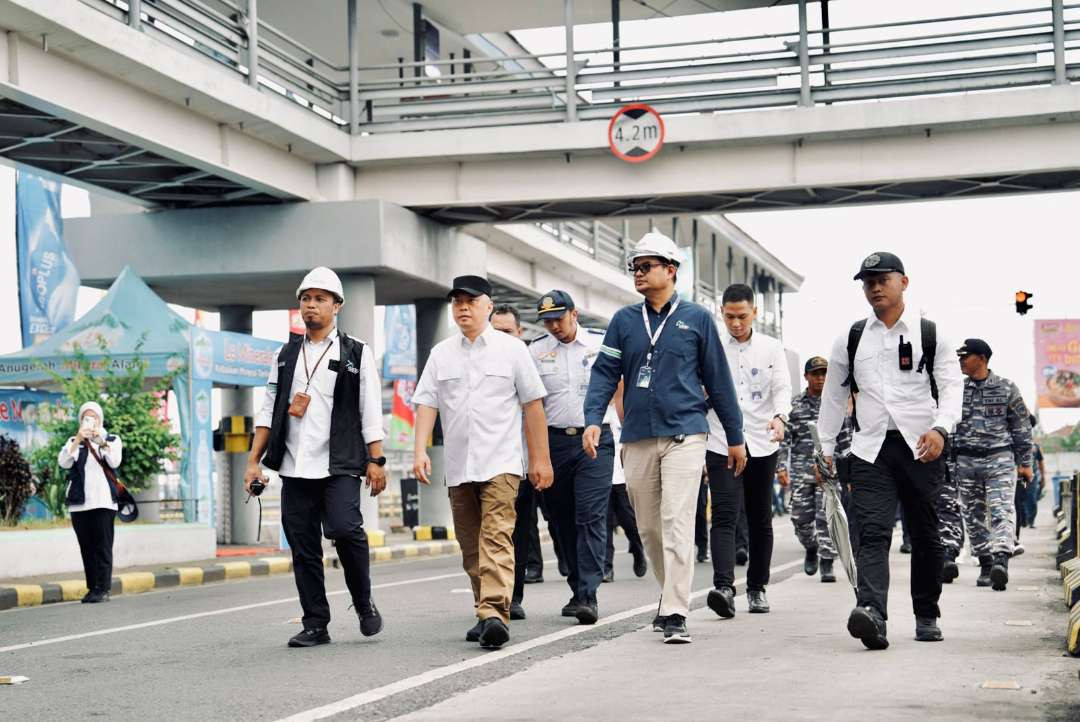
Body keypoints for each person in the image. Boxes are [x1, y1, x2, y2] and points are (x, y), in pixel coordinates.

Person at [584, 231, 746, 644]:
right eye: (635, 268)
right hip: (637, 436)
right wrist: (591, 419)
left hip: (685, 434)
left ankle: (675, 611)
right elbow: (605, 374)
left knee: (676, 521)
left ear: (671, 270)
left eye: (647, 266)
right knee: (650, 530)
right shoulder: (623, 322)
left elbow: (719, 381)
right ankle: (668, 594)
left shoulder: (697, 319)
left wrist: (735, 435)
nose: (638, 274)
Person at [817, 252, 962, 650]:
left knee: (925, 534)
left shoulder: (930, 333)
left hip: (922, 447)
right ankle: (872, 613)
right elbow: (833, 397)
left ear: (904, 282)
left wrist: (941, 430)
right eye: (868, 282)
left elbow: (951, 388)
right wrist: (825, 450)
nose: (875, 287)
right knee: (873, 532)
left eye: (883, 279)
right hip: (870, 450)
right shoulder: (851, 338)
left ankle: (927, 612)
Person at [246, 267, 387, 648]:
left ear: (337, 306)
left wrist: (377, 460)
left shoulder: (356, 352)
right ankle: (315, 623)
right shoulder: (284, 354)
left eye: (320, 299)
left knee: (345, 530)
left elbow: (369, 410)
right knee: (304, 547)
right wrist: (253, 461)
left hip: (339, 464)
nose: (311, 305)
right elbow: (268, 409)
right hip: (294, 467)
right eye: (306, 299)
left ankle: (363, 602)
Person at [412, 275, 553, 650]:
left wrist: (541, 459)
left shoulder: (512, 350)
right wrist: (419, 450)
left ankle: (494, 612)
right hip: (459, 466)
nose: (462, 307)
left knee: (496, 535)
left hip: (502, 462)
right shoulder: (441, 353)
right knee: (471, 544)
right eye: (457, 301)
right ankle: (484, 608)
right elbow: (426, 401)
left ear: (488, 306)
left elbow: (533, 404)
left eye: (470, 301)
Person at [529, 290, 620, 624]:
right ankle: (576, 585)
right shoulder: (536, 351)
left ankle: (588, 594)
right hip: (553, 444)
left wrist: (627, 436)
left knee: (591, 516)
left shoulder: (601, 344)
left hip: (596, 440)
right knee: (561, 520)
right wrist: (536, 455)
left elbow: (619, 389)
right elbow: (531, 406)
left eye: (559, 318)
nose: (554, 325)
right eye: (547, 320)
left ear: (574, 313)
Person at [705, 283, 791, 617]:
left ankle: (757, 588)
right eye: (729, 317)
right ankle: (724, 588)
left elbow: (782, 387)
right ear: (721, 313)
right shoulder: (712, 346)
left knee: (759, 518)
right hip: (721, 441)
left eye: (742, 316)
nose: (735, 323)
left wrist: (780, 417)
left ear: (754, 312)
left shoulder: (771, 348)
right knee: (724, 514)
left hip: (761, 441)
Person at [952, 338, 1032, 591]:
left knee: (1000, 511)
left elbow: (1022, 427)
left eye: (966, 357)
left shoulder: (1007, 388)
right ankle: (986, 563)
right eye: (960, 357)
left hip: (999, 458)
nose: (961, 362)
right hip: (965, 461)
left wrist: (1026, 464)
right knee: (972, 516)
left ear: (983, 359)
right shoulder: (954, 390)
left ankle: (1000, 561)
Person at [490, 304, 550, 620]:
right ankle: (487, 596)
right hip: (485, 463)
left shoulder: (526, 360)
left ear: (519, 333)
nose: (501, 337)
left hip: (521, 461)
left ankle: (512, 597)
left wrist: (540, 459)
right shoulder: (476, 360)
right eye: (495, 330)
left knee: (518, 531)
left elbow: (537, 410)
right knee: (486, 534)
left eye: (507, 331)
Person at [778, 356, 843, 583]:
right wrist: (780, 467)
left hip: (829, 470)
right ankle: (811, 546)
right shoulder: (795, 405)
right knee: (800, 519)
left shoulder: (836, 402)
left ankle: (827, 561)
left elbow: (845, 437)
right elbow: (785, 438)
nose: (820, 378)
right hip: (801, 470)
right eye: (815, 374)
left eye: (824, 373)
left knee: (827, 516)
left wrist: (845, 467)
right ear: (806, 376)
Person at [59, 401, 122, 604]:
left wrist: (100, 440)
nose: (90, 420)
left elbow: (114, 461)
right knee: (86, 547)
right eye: (86, 417)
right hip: (80, 504)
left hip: (103, 502)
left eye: (93, 416)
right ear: (80, 420)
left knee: (102, 547)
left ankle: (103, 589)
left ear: (100, 419)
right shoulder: (74, 441)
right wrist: (78, 438)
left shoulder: (112, 439)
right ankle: (92, 588)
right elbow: (64, 462)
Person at [604, 415, 647, 582]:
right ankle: (606, 567)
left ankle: (637, 550)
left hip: (624, 477)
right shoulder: (600, 410)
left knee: (629, 521)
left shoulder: (625, 409)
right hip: (603, 476)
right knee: (603, 523)